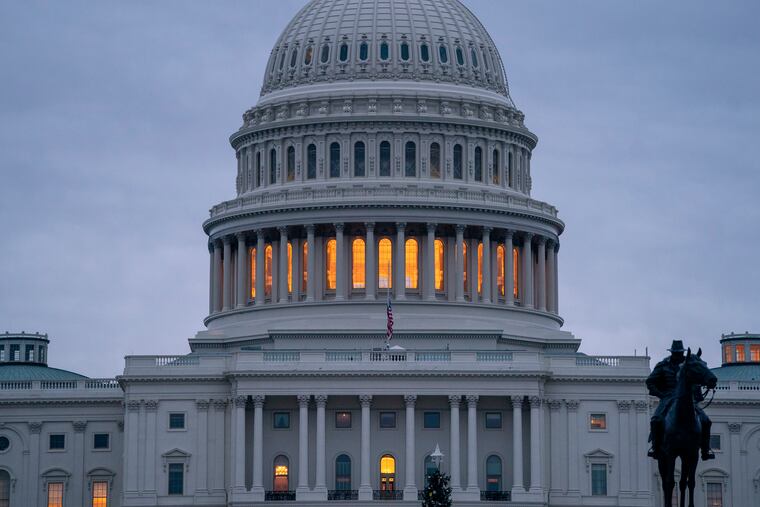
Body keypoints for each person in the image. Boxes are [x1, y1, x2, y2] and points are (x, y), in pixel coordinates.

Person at [646, 340, 714, 460]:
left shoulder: (689, 364)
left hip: (687, 398)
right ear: (672, 353)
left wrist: (698, 393)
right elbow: (650, 382)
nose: (678, 356)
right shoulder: (663, 365)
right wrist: (661, 394)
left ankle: (705, 449)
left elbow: (697, 379)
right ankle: (655, 448)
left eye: (680, 353)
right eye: (676, 353)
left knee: (706, 420)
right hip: (668, 397)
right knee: (656, 420)